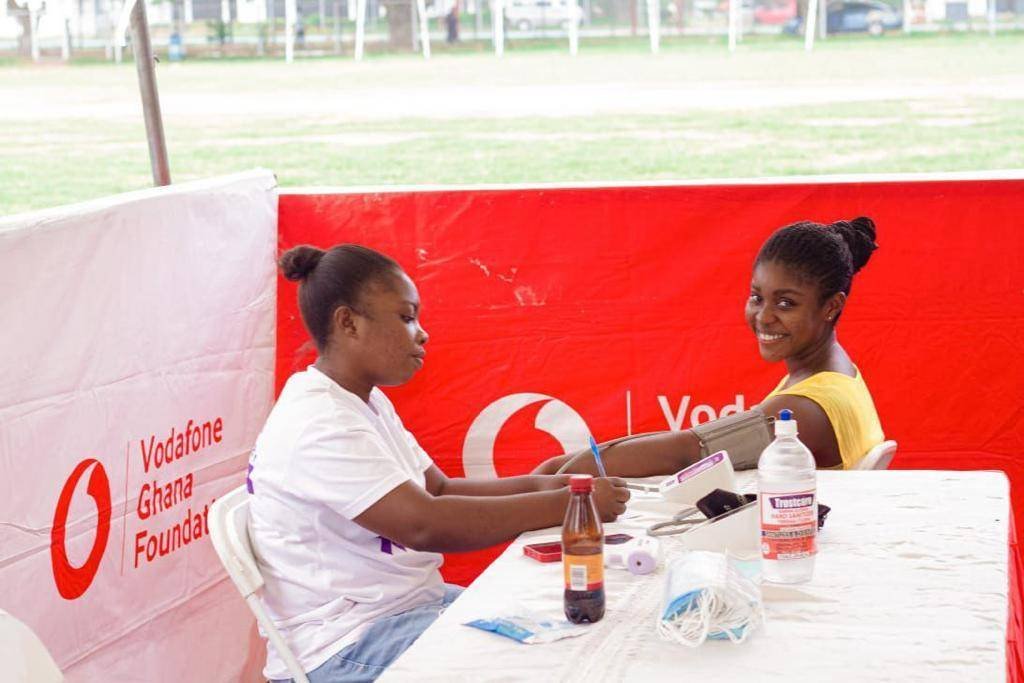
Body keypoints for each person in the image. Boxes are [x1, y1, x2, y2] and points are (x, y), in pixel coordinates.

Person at [248, 244, 629, 683]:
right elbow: (424, 525)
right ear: (348, 322)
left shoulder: (361, 400)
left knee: (571, 638)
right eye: (407, 317)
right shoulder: (320, 421)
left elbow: (440, 490)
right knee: (544, 667)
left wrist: (554, 488)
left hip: (406, 609)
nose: (422, 333)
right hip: (347, 646)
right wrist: (569, 505)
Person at [533, 217, 885, 477]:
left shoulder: (804, 408)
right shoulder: (837, 370)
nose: (764, 317)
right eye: (756, 297)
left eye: (786, 304)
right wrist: (565, 468)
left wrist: (562, 473)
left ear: (831, 307)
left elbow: (689, 452)